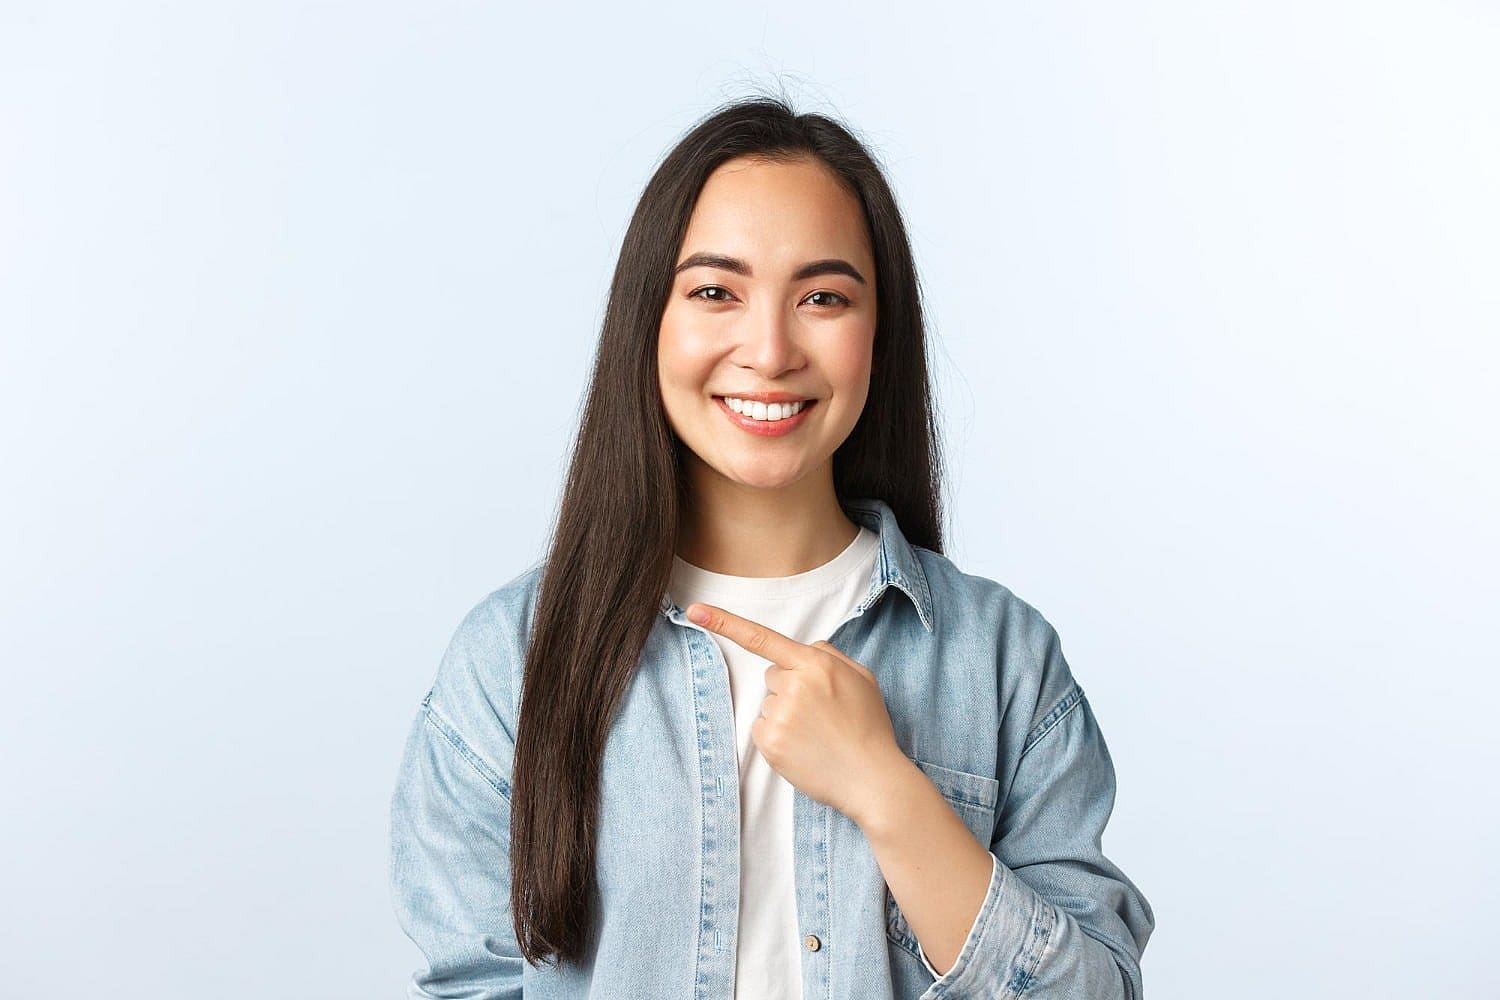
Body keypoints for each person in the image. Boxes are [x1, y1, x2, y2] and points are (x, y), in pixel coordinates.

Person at [388, 93, 1155, 1000]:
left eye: (822, 297)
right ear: (651, 320)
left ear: (880, 332)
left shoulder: (1001, 660)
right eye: (716, 292)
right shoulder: (510, 659)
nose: (770, 348)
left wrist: (888, 788)